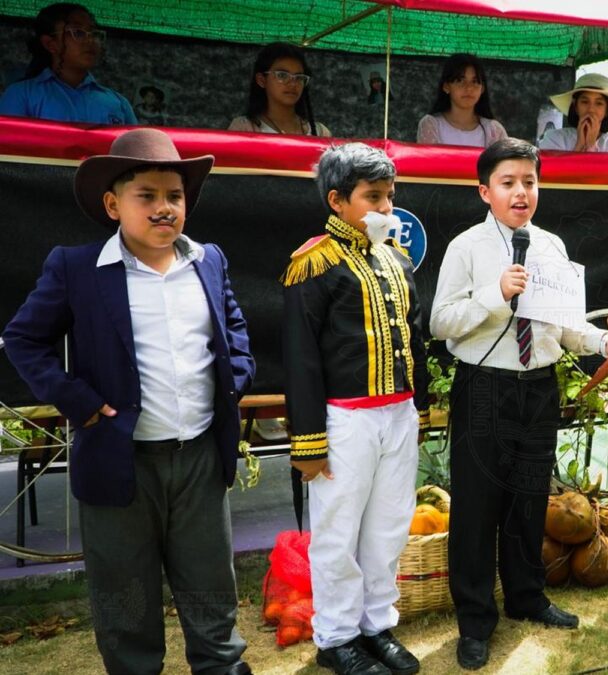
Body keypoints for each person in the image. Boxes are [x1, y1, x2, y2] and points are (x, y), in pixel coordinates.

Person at [2, 128, 253, 674]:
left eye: (175, 196)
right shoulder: (76, 268)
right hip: (119, 463)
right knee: (125, 603)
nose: (164, 208)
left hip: (200, 460)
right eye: (148, 196)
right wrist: (79, 402)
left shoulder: (208, 260)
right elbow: (23, 339)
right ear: (113, 204)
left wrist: (237, 373)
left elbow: (232, 325)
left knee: (212, 593)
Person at [430, 138, 608, 670]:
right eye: (508, 182)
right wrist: (495, 293)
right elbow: (440, 322)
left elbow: (564, 328)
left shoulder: (552, 247)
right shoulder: (467, 247)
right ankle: (475, 619)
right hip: (485, 384)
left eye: (529, 182)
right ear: (484, 191)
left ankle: (527, 597)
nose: (521, 192)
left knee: (529, 497)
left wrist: (604, 343)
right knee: (476, 506)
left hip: (538, 385)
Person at [282, 143, 427, 675]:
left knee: (389, 526)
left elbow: (413, 336)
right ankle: (336, 637)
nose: (385, 208)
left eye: (389, 196)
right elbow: (299, 360)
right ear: (337, 200)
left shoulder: (395, 256)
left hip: (399, 413)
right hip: (344, 419)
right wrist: (308, 441)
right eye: (373, 197)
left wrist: (422, 404)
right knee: (338, 531)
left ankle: (376, 626)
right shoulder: (313, 262)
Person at [0, 3, 136, 125]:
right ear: (50, 44)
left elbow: (135, 151)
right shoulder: (21, 95)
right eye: (78, 32)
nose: (91, 40)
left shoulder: (119, 103)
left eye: (94, 33)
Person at [228, 42, 331, 137]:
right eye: (282, 75)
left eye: (299, 77)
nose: (292, 83)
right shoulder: (243, 128)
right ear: (261, 80)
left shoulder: (320, 133)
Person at [416, 53, 507, 148]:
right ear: (446, 86)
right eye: (460, 80)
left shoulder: (494, 130)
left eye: (475, 82)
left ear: (482, 89)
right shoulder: (431, 125)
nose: (468, 88)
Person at [539, 73, 608, 153]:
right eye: (584, 102)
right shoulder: (555, 138)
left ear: (607, 111)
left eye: (599, 103)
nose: (591, 109)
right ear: (575, 107)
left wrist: (591, 146)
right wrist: (579, 145)